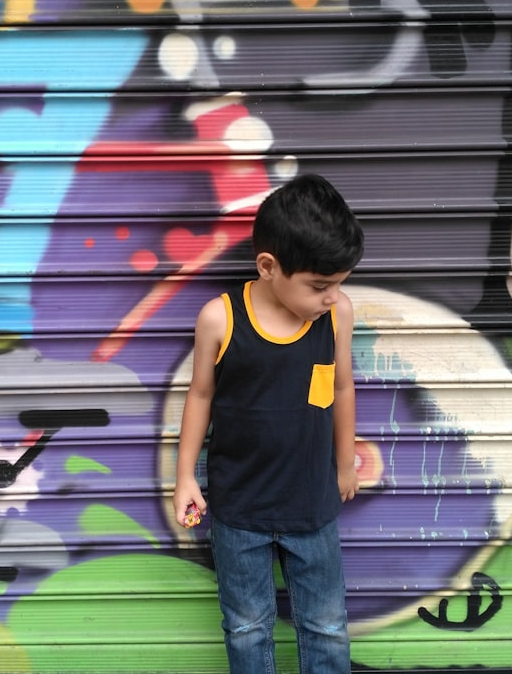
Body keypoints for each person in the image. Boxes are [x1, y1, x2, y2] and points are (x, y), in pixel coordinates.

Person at [172, 173, 365, 673]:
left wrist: (345, 462)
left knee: (325, 625)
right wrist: (185, 476)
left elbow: (341, 387)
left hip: (312, 503)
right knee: (246, 626)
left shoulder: (337, 314)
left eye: (338, 284)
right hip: (240, 510)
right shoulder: (221, 318)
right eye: (320, 286)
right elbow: (200, 395)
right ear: (269, 266)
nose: (331, 296)